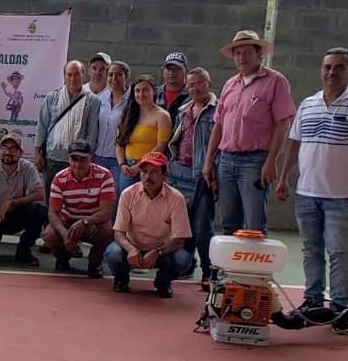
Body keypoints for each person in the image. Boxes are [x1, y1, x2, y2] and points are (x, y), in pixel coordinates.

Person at [275, 47, 348, 322]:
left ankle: (340, 309)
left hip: (341, 196)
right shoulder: (308, 104)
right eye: (327, 67)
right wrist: (284, 177)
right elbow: (295, 143)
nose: (332, 72)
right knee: (311, 250)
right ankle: (312, 301)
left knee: (339, 252)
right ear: (321, 70)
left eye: (339, 67)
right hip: (307, 194)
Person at [203, 30, 296, 235]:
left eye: (247, 52)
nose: (241, 58)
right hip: (226, 160)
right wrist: (209, 160)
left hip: (254, 162)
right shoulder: (230, 84)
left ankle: (253, 267)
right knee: (228, 222)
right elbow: (218, 125)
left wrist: (271, 160)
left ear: (259, 54)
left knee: (254, 223)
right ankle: (230, 268)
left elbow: (282, 123)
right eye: (237, 53)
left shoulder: (275, 81)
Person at [105, 151, 193, 297]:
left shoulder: (177, 198)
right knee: (113, 254)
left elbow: (179, 240)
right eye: (144, 171)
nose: (147, 176)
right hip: (132, 247)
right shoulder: (128, 194)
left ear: (165, 175)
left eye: (154, 172)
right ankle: (121, 279)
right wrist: (131, 249)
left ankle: (163, 283)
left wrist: (158, 252)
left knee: (183, 259)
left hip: (161, 250)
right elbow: (118, 232)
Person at [166, 67, 217, 289]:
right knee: (181, 226)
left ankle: (210, 271)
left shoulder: (218, 112)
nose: (194, 89)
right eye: (190, 85)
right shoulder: (184, 110)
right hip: (179, 173)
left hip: (203, 176)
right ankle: (186, 265)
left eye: (199, 83)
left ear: (209, 85)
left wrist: (213, 172)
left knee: (202, 227)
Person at [0, 132, 47, 266]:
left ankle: (24, 249)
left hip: (17, 215)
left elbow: (39, 194)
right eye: (4, 148)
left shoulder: (28, 167)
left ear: (21, 152)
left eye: (13, 149)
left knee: (40, 209)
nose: (7, 152)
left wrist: (12, 203)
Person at [42, 139, 114, 278]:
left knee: (107, 231)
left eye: (83, 159)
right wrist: (64, 234)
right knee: (49, 235)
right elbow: (53, 213)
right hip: (67, 221)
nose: (78, 163)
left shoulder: (105, 175)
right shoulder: (59, 178)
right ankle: (62, 258)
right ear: (68, 158)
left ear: (90, 158)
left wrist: (84, 222)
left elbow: (106, 212)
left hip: (92, 222)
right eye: (74, 158)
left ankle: (95, 263)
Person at [34, 60, 101, 189]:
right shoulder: (52, 98)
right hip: (53, 157)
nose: (72, 78)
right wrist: (37, 153)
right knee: (52, 197)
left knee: (75, 199)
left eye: (76, 75)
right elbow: (42, 126)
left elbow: (92, 133)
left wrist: (86, 157)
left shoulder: (93, 101)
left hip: (78, 160)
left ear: (83, 76)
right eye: (69, 75)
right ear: (64, 76)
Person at [116, 75, 173, 187]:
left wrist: (139, 166)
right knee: (125, 201)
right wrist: (122, 164)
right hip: (127, 168)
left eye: (145, 90)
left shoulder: (162, 116)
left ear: (154, 91)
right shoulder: (128, 114)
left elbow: (161, 146)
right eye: (137, 91)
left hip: (149, 168)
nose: (141, 94)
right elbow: (119, 143)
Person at [94, 60, 130, 195]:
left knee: (113, 197)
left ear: (126, 77)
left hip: (118, 159)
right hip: (98, 156)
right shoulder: (100, 99)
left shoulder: (133, 101)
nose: (114, 78)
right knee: (96, 197)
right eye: (110, 75)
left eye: (119, 75)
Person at [159, 52, 190, 126]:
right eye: (168, 68)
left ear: (186, 71)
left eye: (177, 69)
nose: (172, 72)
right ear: (163, 71)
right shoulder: (153, 94)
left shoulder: (192, 96)